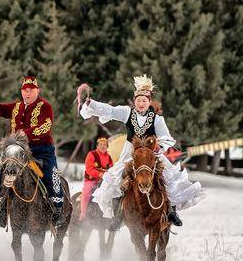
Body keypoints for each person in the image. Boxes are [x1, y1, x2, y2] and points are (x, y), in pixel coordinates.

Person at [79, 75, 203, 231]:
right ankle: (118, 216)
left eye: (144, 101)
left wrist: (159, 147)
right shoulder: (126, 113)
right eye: (138, 100)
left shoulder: (157, 119)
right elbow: (110, 110)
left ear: (149, 102)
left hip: (151, 154)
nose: (141, 103)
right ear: (134, 101)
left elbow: (167, 138)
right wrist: (93, 105)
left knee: (167, 178)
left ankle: (171, 211)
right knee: (117, 178)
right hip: (130, 153)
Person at [0, 76, 66, 228]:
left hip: (41, 150)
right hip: (19, 151)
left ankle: (57, 211)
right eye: (25, 90)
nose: (27, 93)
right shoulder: (16, 106)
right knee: (2, 174)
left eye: (31, 90)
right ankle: (0, 212)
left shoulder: (45, 106)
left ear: (37, 91)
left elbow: (45, 127)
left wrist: (22, 134)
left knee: (50, 172)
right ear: (21, 92)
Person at [80, 137, 113, 220]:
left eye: (105, 145)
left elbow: (112, 169)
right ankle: (83, 213)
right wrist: (99, 174)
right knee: (86, 192)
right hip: (92, 180)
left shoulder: (109, 157)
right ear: (97, 146)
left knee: (113, 192)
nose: (103, 146)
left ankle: (111, 212)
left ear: (107, 147)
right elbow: (89, 169)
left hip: (105, 181)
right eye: (101, 145)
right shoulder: (91, 154)